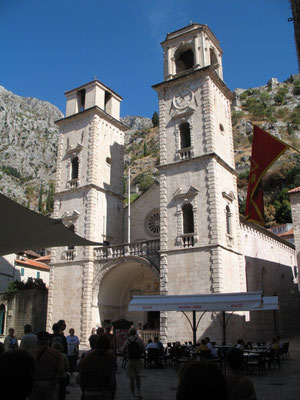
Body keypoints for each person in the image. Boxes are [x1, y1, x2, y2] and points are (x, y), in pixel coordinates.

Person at [77, 334, 117, 400]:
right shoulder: (110, 358)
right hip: (105, 392)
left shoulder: (88, 356)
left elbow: (80, 374)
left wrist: (84, 390)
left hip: (90, 391)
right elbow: (112, 379)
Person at [30, 331, 63, 400]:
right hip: (51, 384)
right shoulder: (56, 354)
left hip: (36, 384)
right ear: (49, 341)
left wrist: (34, 385)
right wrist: (51, 385)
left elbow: (29, 372)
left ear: (37, 341)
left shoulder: (32, 354)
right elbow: (59, 371)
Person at [122, 327, 145, 399]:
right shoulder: (139, 340)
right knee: (138, 377)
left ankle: (133, 395)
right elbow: (144, 350)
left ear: (129, 333)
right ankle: (139, 392)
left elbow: (123, 350)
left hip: (130, 360)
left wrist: (125, 354)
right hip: (138, 360)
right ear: (135, 333)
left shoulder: (127, 340)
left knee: (132, 379)